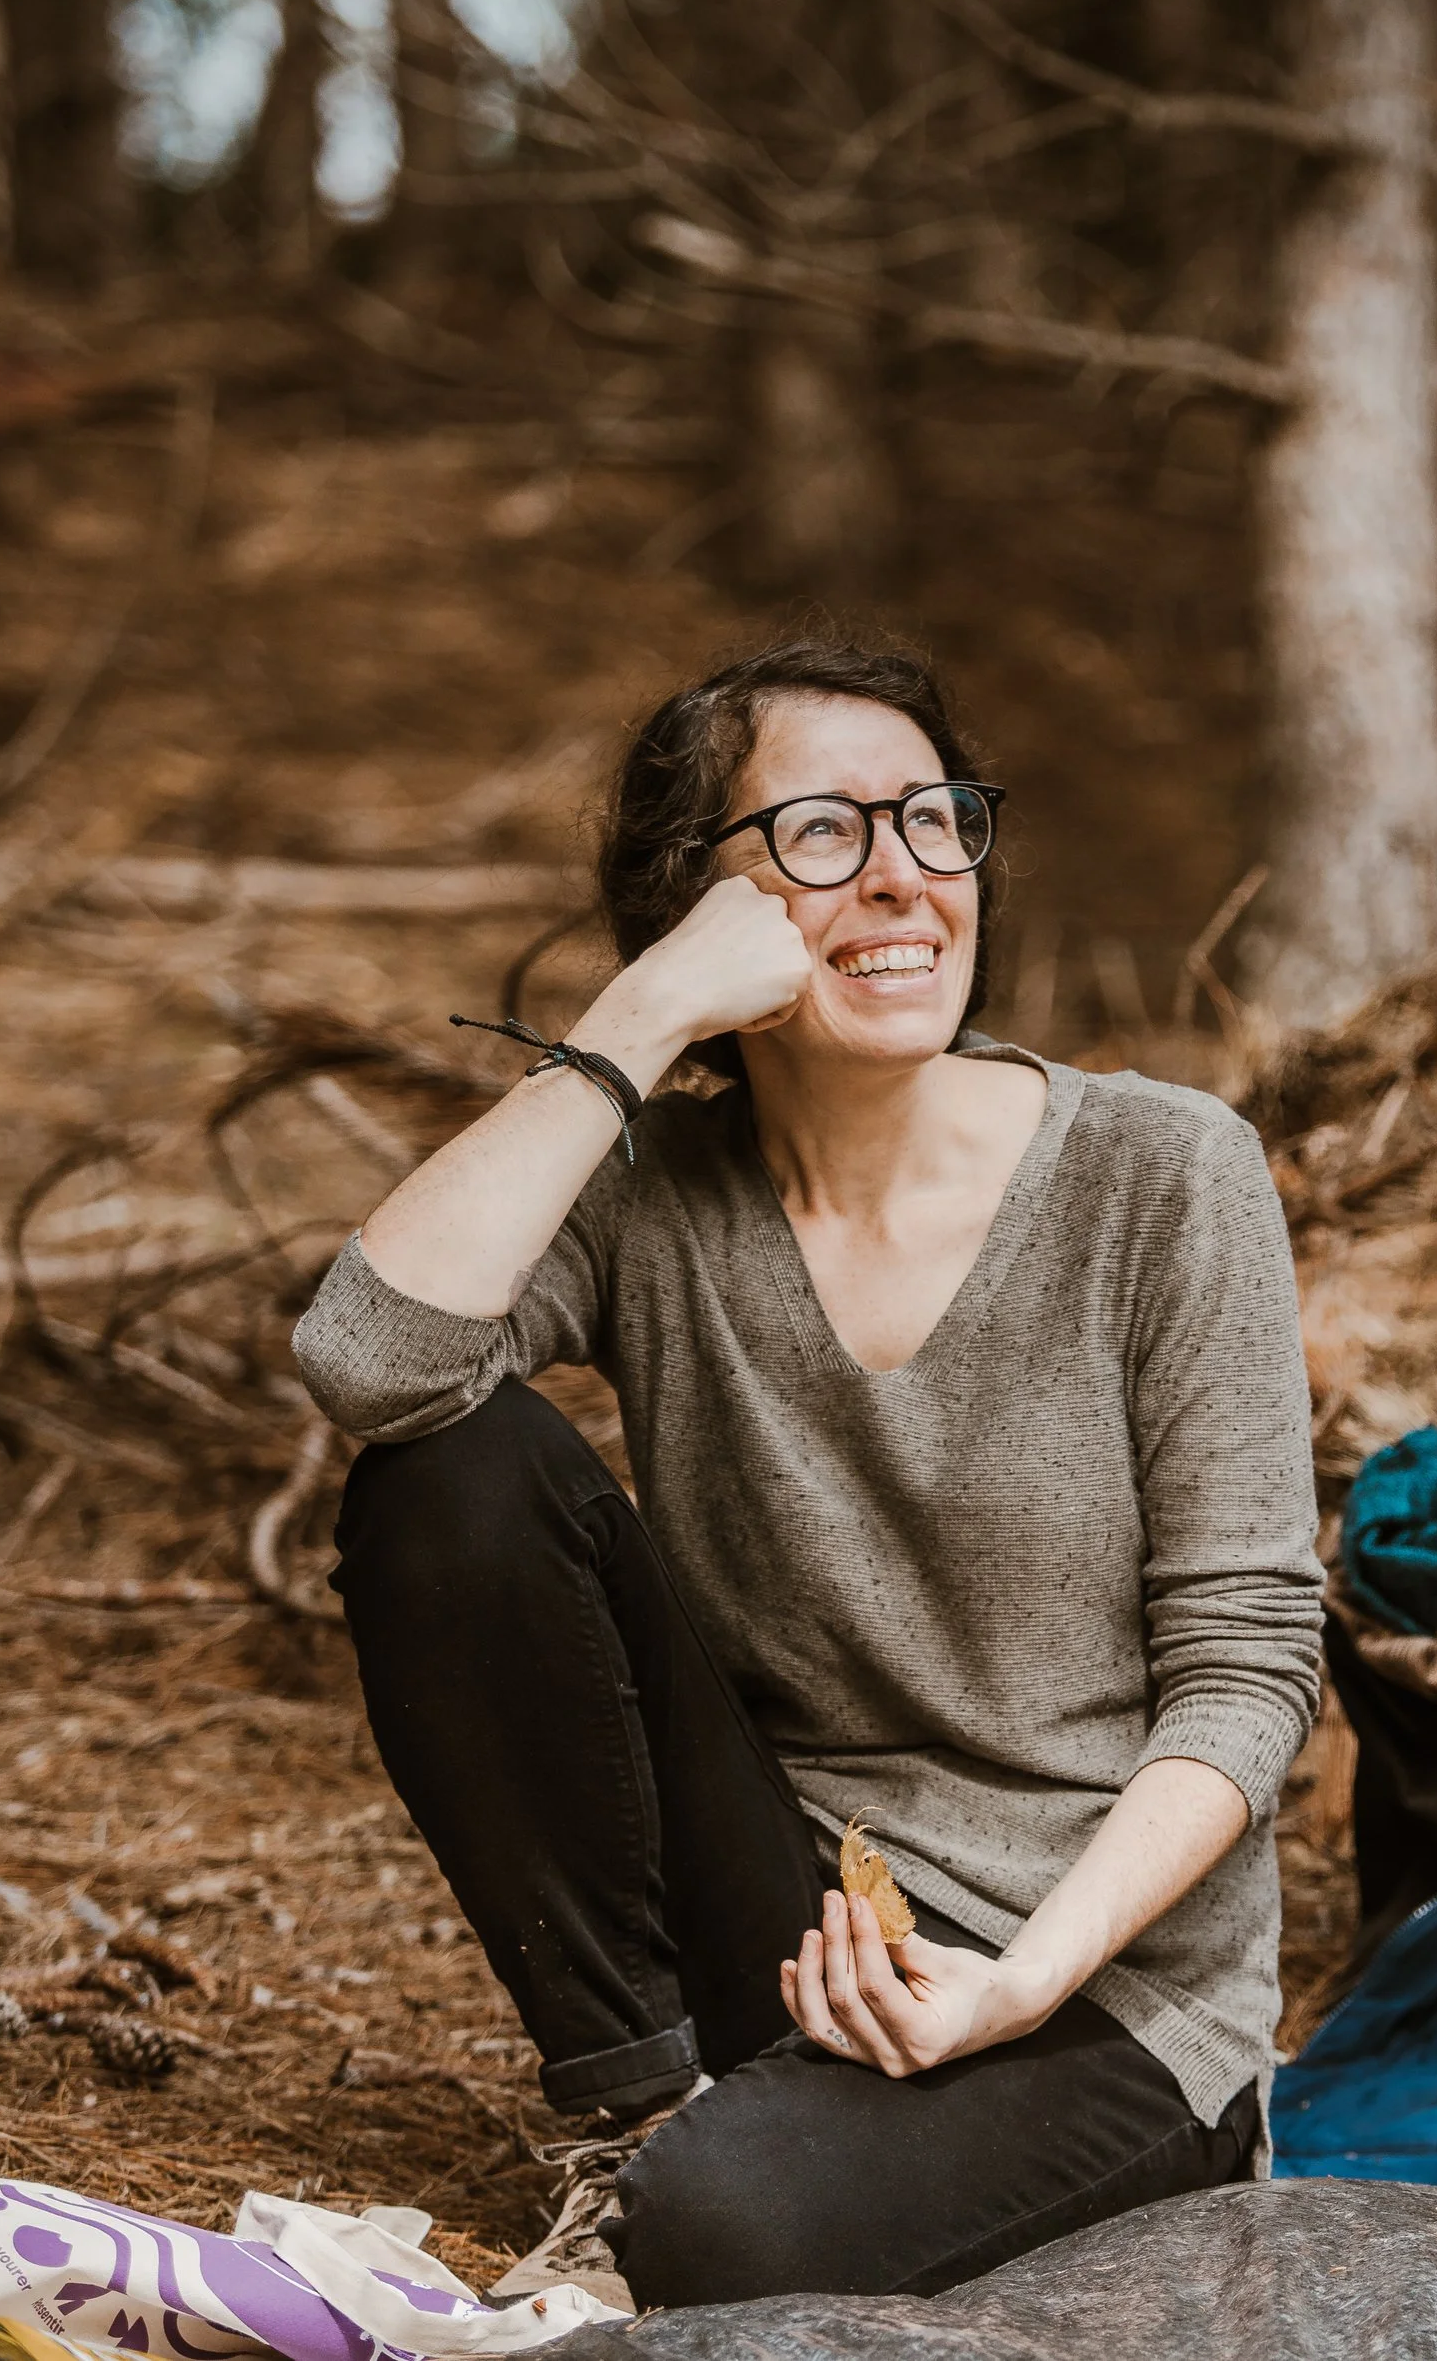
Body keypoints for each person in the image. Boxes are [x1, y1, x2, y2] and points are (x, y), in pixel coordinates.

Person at [290, 638, 1324, 2309]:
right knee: (450, 1471)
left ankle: (742, 2176)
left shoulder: (1163, 1173)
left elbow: (1251, 1667)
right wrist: (636, 1018)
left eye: (937, 819)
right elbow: (369, 1360)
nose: (906, 877)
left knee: (729, 2238)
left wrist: (1019, 1980)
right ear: (707, 907)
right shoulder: (656, 1196)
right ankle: (634, 2113)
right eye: (826, 835)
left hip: (1097, 1989)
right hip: (791, 1904)